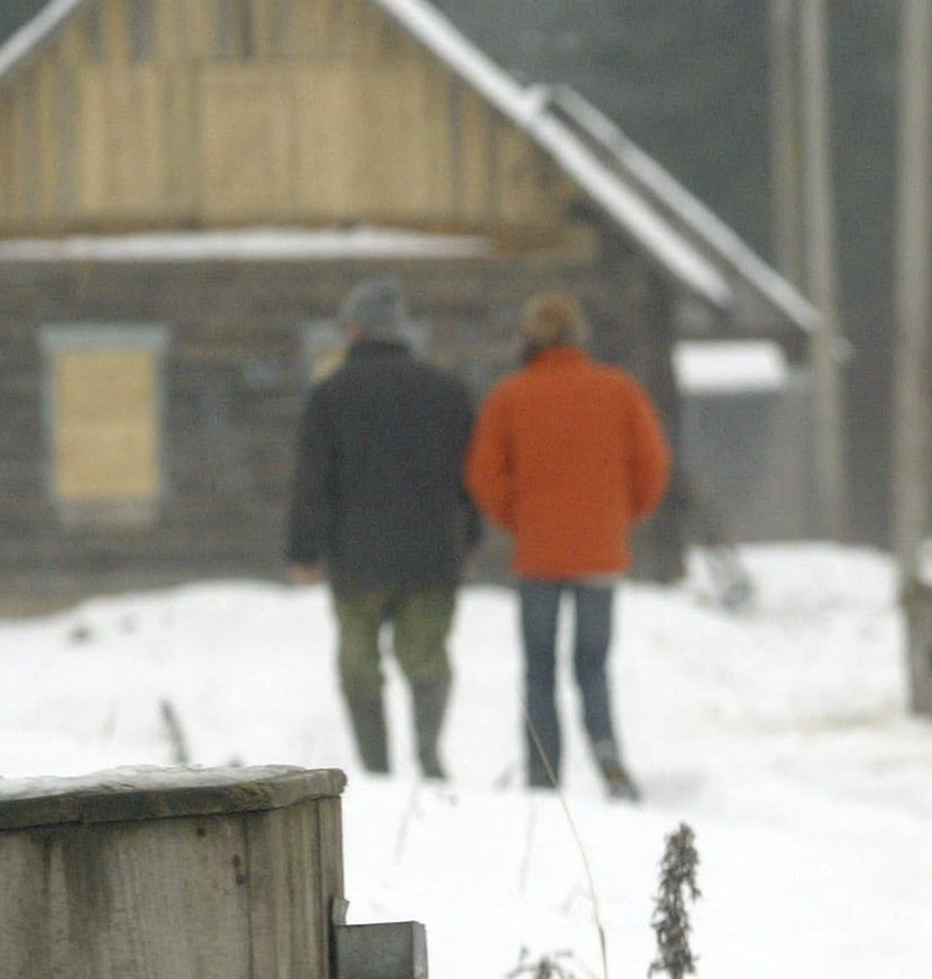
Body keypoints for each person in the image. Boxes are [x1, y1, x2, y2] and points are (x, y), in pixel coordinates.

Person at [466, 290, 671, 799]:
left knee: (539, 668)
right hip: (600, 552)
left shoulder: (510, 396)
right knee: (593, 666)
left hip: (537, 555)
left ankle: (542, 772)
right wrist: (620, 516)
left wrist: (519, 518)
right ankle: (608, 756)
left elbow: (484, 474)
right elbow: (653, 466)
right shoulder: (619, 390)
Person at [285, 276, 479, 781]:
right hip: (431, 554)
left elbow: (313, 482)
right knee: (427, 658)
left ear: (354, 330)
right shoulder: (446, 390)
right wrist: (470, 538)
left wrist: (303, 552)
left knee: (359, 665)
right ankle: (429, 755)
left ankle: (376, 771)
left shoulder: (330, 395)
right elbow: (471, 476)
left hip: (357, 557)